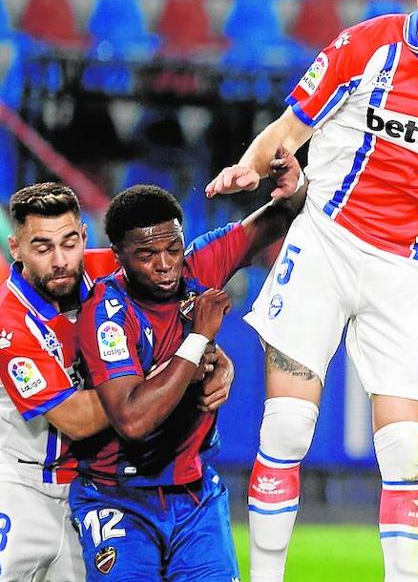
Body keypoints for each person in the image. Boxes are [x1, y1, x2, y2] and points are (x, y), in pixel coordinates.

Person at [204, 0, 418, 582]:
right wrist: (251, 162)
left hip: (406, 270)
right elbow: (289, 130)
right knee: (287, 430)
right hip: (325, 244)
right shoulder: (365, 47)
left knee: (407, 451)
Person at [71, 153, 303, 582]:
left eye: (172, 248)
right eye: (146, 254)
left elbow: (282, 214)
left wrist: (293, 180)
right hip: (117, 496)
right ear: (118, 255)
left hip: (195, 495)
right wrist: (199, 341)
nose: (164, 264)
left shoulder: (201, 265)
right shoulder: (106, 312)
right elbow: (133, 418)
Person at [0, 183, 234, 582]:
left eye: (69, 242)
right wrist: (181, 372)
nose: (60, 260)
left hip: (89, 491)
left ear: (84, 237)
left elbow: (180, 290)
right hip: (20, 489)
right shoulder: (9, 325)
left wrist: (218, 361)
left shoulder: (111, 267)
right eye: (42, 247)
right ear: (16, 248)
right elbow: (75, 418)